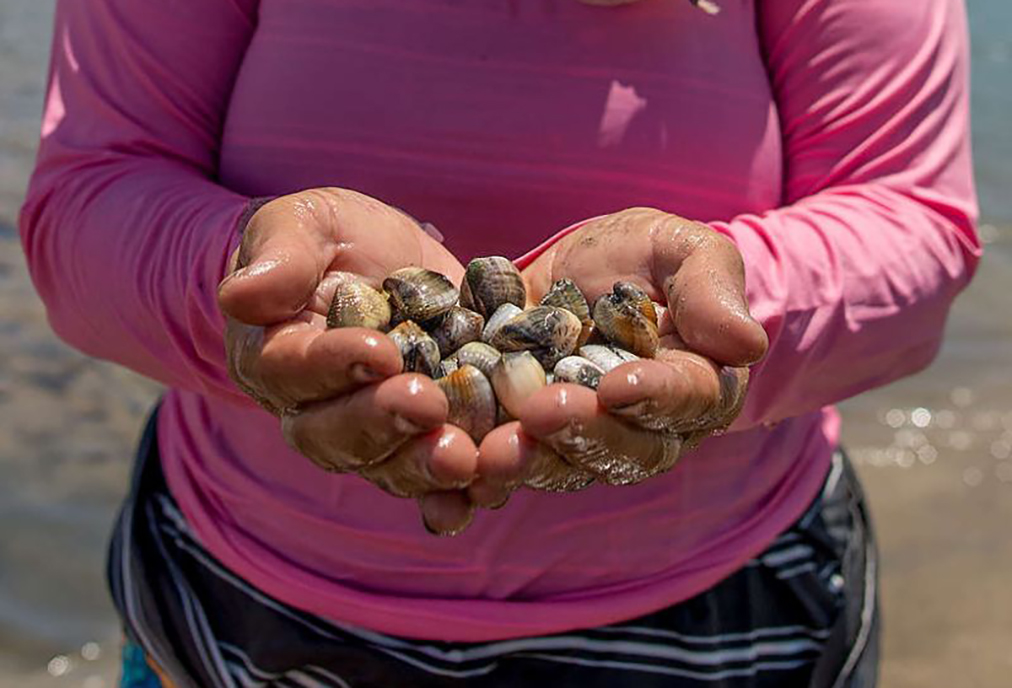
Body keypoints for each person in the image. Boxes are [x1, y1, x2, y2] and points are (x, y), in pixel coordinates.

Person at [19, 0, 979, 686]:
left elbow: (916, 224)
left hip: (726, 620)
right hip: (240, 618)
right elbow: (89, 203)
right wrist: (244, 285)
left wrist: (725, 307)